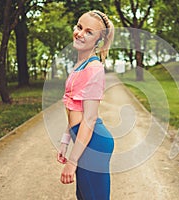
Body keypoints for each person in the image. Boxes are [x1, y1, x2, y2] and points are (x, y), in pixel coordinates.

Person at [57, 10, 115, 200]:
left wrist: (72, 162)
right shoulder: (79, 65)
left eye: (89, 32)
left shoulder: (94, 68)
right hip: (84, 140)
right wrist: (65, 141)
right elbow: (74, 108)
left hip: (94, 144)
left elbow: (89, 119)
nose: (80, 33)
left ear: (98, 41)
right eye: (79, 27)